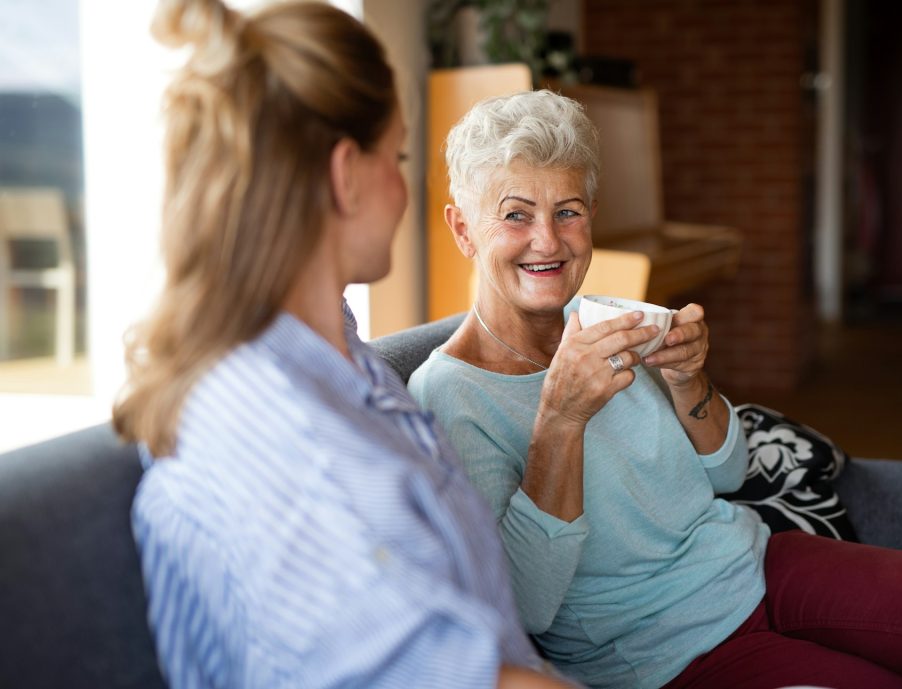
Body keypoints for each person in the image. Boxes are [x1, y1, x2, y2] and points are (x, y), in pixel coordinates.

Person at [408, 89, 902, 689]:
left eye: (568, 210)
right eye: (516, 214)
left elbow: (729, 473)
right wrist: (561, 419)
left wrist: (687, 380)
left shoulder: (605, 324)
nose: (548, 240)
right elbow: (527, 605)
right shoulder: (449, 395)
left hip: (754, 563)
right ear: (464, 230)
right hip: (660, 648)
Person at [113, 3, 578, 688]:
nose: (404, 187)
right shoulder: (277, 431)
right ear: (345, 174)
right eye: (396, 155)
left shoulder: (333, 352)